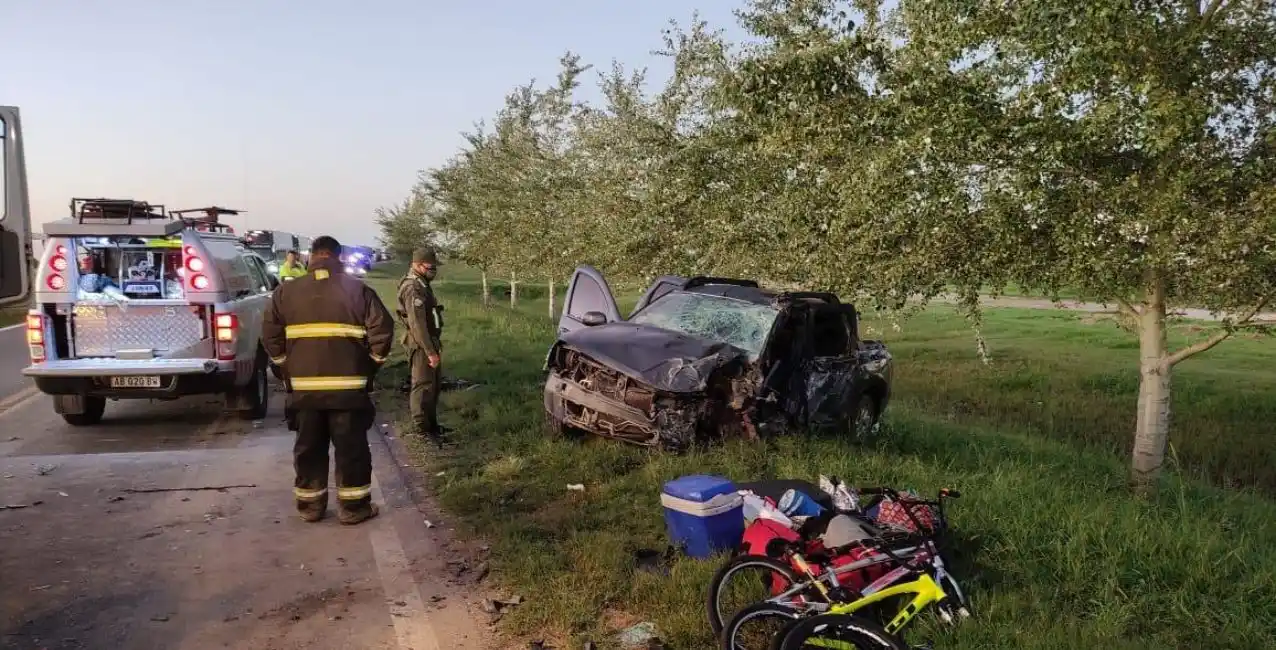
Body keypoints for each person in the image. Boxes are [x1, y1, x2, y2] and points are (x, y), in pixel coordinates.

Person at [262, 236, 395, 525]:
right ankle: (353, 508)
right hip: (348, 390)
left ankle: (310, 507)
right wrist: (370, 366)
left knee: (308, 447)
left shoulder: (286, 293)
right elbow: (382, 332)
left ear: (312, 257)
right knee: (351, 449)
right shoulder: (358, 290)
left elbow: (270, 337)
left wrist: (287, 368)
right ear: (338, 256)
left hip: (304, 391)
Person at [397, 247, 447, 445]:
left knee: (433, 386)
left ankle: (432, 425)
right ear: (417, 265)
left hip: (430, 341)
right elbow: (418, 324)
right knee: (423, 386)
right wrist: (429, 351)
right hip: (421, 344)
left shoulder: (422, 284)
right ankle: (422, 429)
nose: (433, 270)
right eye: (430, 267)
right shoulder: (413, 288)